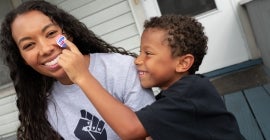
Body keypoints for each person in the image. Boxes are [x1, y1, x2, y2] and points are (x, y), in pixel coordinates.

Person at [59, 15, 246, 139]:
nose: (137, 60)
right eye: (140, 52)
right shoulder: (173, 98)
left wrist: (83, 77)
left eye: (148, 53)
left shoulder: (191, 92)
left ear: (183, 63)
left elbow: (131, 129)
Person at [0, 1, 155, 140]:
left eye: (51, 34)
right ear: (23, 60)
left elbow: (147, 131)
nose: (45, 49)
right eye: (29, 45)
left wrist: (82, 77)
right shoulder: (47, 104)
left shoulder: (121, 68)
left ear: (68, 33)